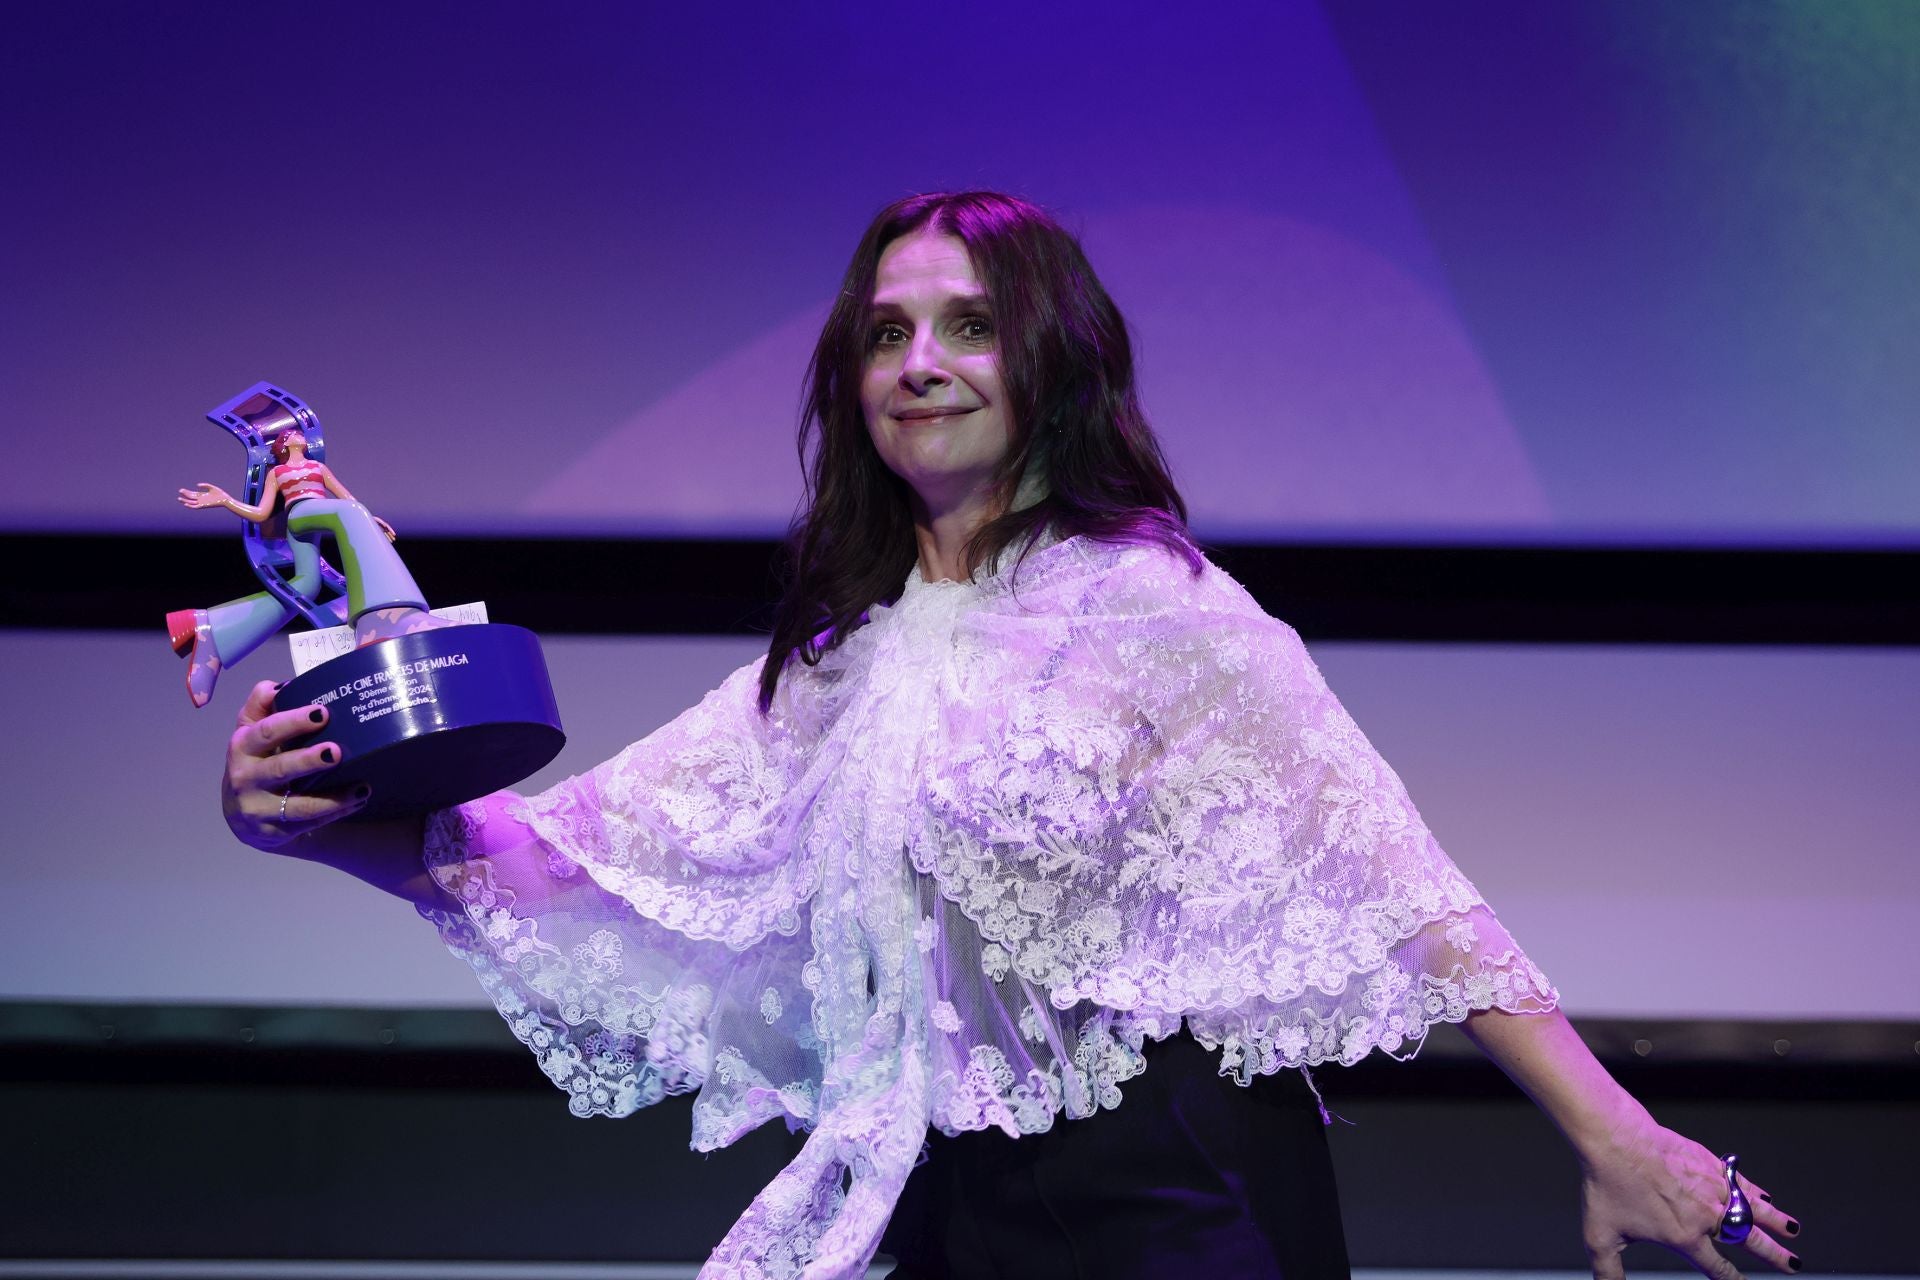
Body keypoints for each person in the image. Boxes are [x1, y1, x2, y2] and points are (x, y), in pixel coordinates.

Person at [215, 192, 1800, 1280]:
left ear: (1047, 361)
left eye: (967, 327)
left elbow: (1397, 875)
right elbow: (590, 878)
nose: (919, 363)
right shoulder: (843, 659)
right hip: (954, 1207)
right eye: (887, 333)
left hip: (1182, 1204)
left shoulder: (1150, 607)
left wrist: (1618, 1131)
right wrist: (309, 815)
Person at [171, 426, 445, 708]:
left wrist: (368, 519)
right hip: (300, 516)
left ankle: (212, 631)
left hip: (320, 517)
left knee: (306, 585)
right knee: (349, 513)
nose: (299, 435)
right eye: (291, 435)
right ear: (284, 445)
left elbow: (346, 496)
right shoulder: (277, 474)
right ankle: (390, 619)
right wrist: (225, 501)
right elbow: (263, 513)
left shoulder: (318, 467)